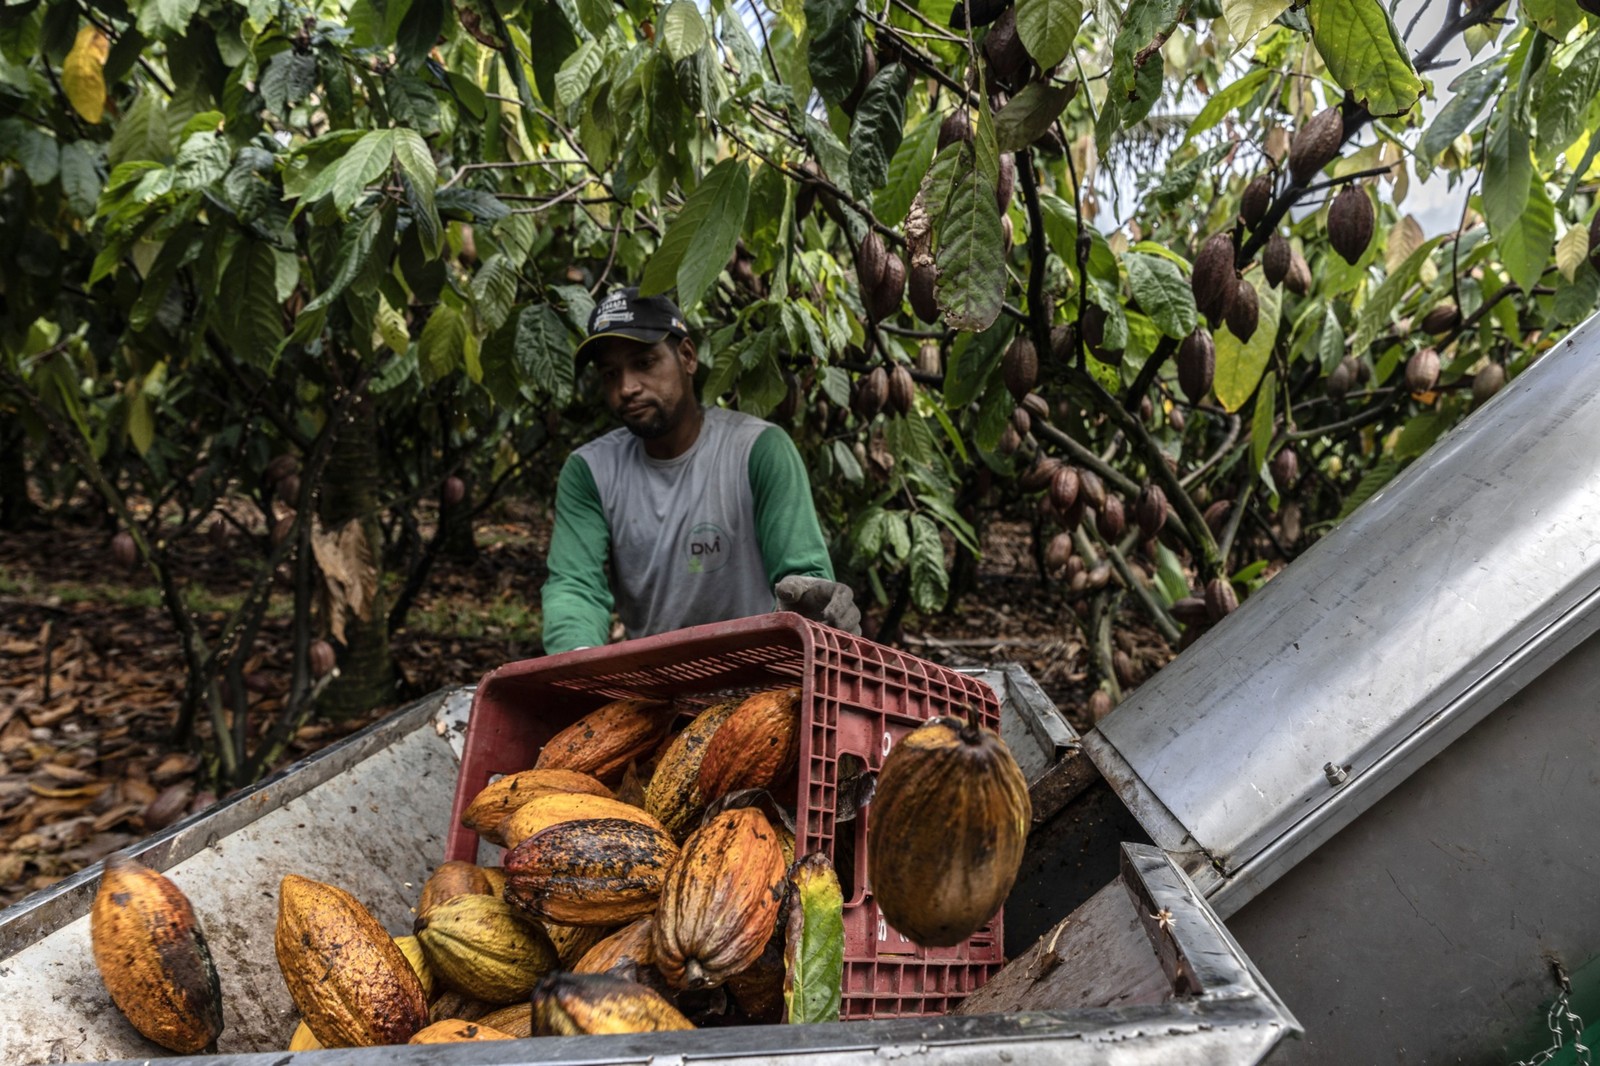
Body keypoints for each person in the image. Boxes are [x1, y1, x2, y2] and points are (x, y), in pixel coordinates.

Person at [540, 287, 861, 654]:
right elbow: (574, 587)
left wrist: (813, 607)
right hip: (652, 688)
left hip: (759, 680)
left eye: (644, 363)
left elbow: (803, 575)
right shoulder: (590, 471)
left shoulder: (758, 450)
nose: (626, 388)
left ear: (687, 357)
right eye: (611, 374)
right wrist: (578, 661)